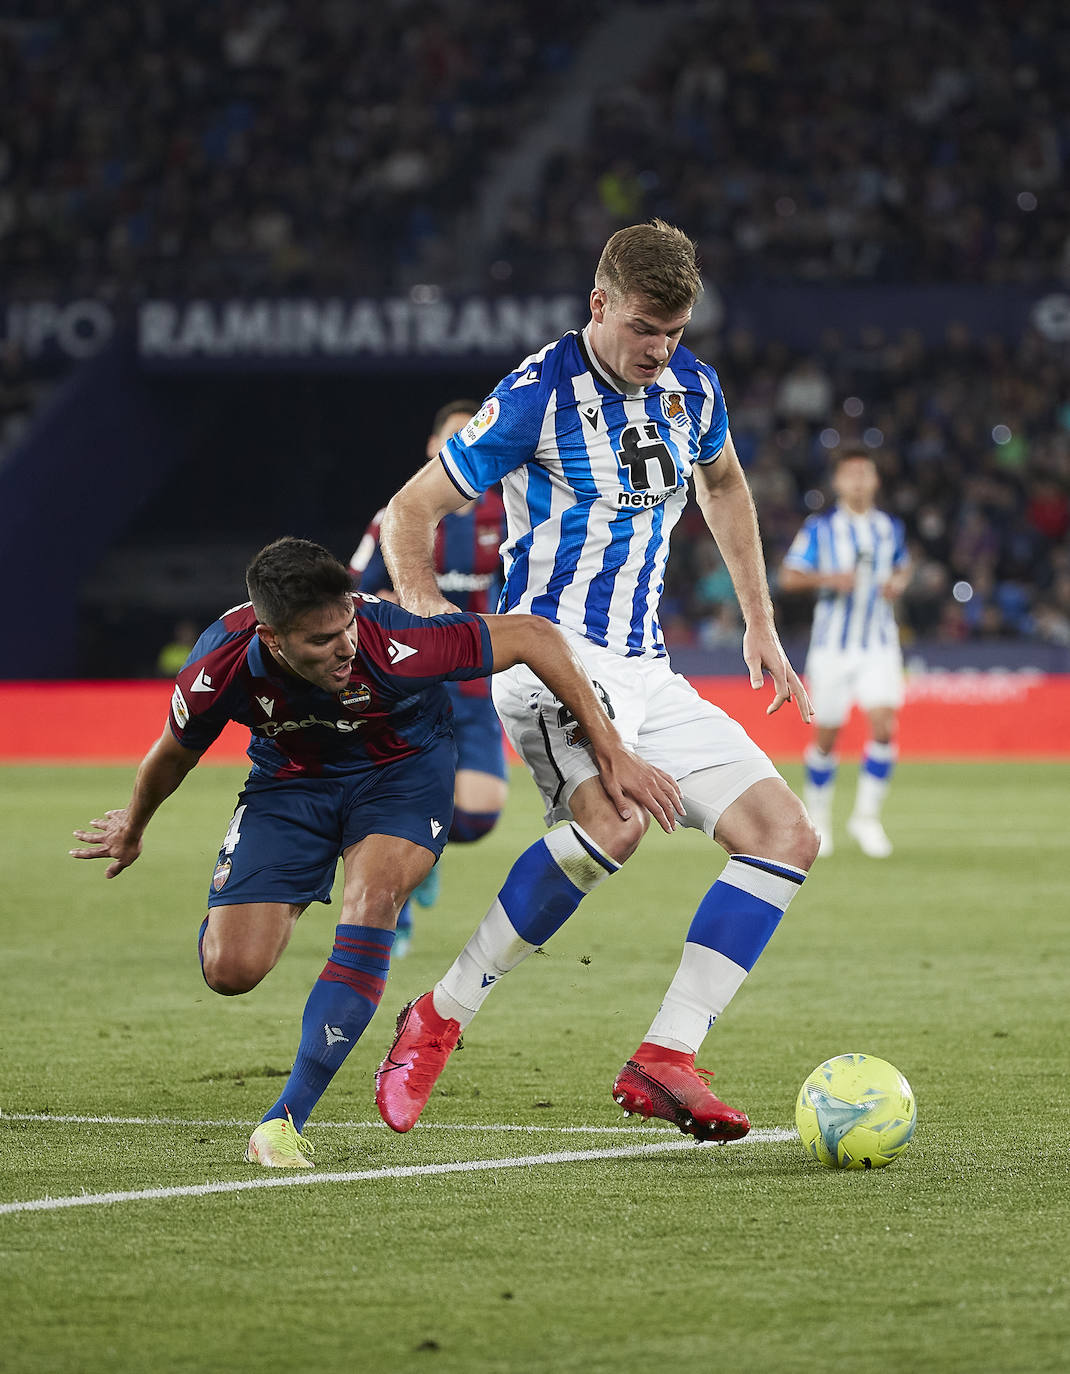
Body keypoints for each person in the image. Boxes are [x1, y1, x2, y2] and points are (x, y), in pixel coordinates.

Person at [373, 219, 818, 1144]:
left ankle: (666, 1057)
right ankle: (439, 1016)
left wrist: (761, 621)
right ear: (600, 304)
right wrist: (426, 619)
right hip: (550, 659)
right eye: (646, 328)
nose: (660, 350)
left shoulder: (693, 389)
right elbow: (410, 510)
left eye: (676, 332)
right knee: (613, 819)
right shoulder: (536, 395)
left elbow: (725, 486)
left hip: (647, 669)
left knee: (785, 833)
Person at [70, 536, 681, 1169]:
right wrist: (134, 828)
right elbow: (172, 753)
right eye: (321, 641)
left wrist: (610, 749)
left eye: (346, 627)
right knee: (232, 970)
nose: (345, 647)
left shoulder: (395, 641)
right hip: (290, 784)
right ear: (273, 639)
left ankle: (284, 1121)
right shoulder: (220, 664)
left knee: (373, 899)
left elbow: (533, 635)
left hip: (401, 775)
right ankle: (248, 897)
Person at [349, 400, 508, 954]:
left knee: (478, 816)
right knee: (405, 804)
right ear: (431, 448)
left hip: (477, 687)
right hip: (410, 688)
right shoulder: (398, 515)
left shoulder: (509, 515)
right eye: (452, 439)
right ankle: (398, 910)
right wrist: (397, 604)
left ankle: (427, 854)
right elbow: (354, 592)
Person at [779, 446, 912, 857]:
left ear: (875, 480)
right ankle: (818, 821)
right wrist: (828, 578)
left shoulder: (889, 528)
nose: (857, 480)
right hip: (832, 647)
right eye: (850, 473)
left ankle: (866, 818)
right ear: (838, 482)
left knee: (885, 725)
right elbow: (787, 576)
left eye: (865, 473)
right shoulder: (820, 529)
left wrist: (900, 583)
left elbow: (903, 565)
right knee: (827, 736)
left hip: (878, 644)